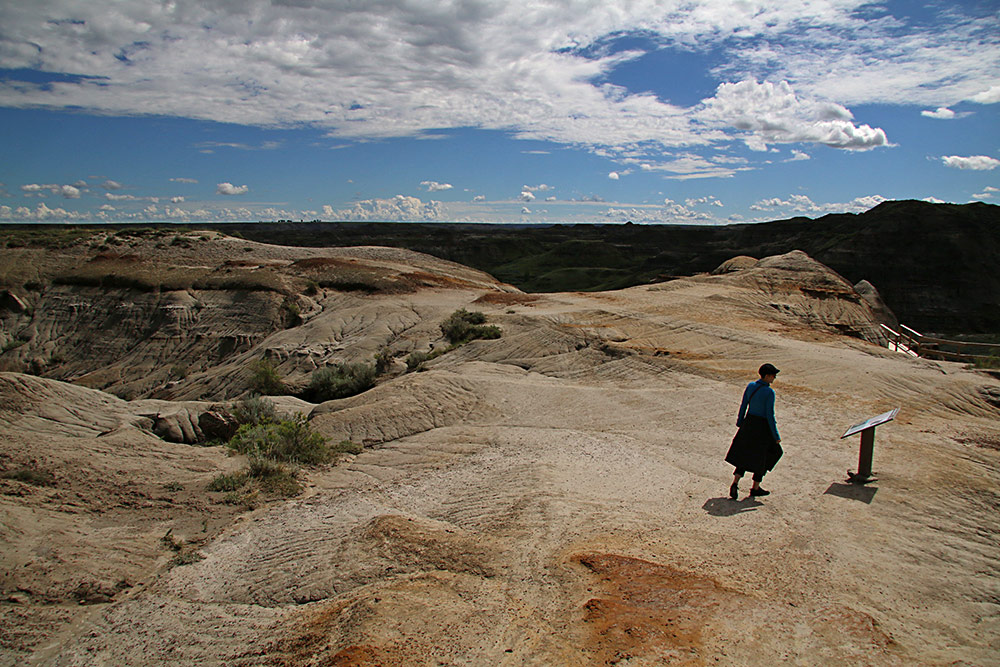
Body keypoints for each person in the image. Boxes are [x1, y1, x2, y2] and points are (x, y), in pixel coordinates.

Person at [725, 363, 783, 499]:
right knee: (764, 456)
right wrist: (775, 435)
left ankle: (735, 482)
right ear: (767, 376)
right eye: (773, 375)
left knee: (744, 455)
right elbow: (770, 414)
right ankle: (755, 487)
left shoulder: (751, 386)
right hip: (762, 427)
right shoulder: (769, 392)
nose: (774, 378)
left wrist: (740, 422)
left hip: (748, 423)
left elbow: (744, 404)